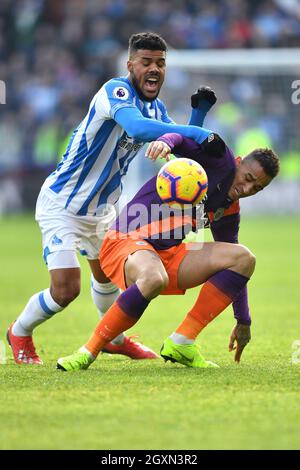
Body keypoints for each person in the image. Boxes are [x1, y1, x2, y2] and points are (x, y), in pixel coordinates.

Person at [7, 32, 215, 365]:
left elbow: (182, 146)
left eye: (160, 63)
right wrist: (195, 132)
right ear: (130, 64)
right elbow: (138, 129)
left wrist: (197, 118)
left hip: (104, 211)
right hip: (64, 205)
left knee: (110, 277)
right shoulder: (114, 91)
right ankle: (19, 331)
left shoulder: (157, 108)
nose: (154, 69)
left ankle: (114, 340)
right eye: (146, 62)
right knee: (66, 290)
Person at [56, 130, 280, 371]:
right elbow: (183, 137)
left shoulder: (229, 210)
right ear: (238, 163)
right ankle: (88, 351)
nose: (247, 189)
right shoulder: (218, 159)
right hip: (125, 240)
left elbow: (236, 271)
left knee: (243, 258)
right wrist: (165, 143)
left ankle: (182, 342)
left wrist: (243, 319)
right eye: (247, 178)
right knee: (153, 277)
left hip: (165, 256)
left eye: (256, 188)